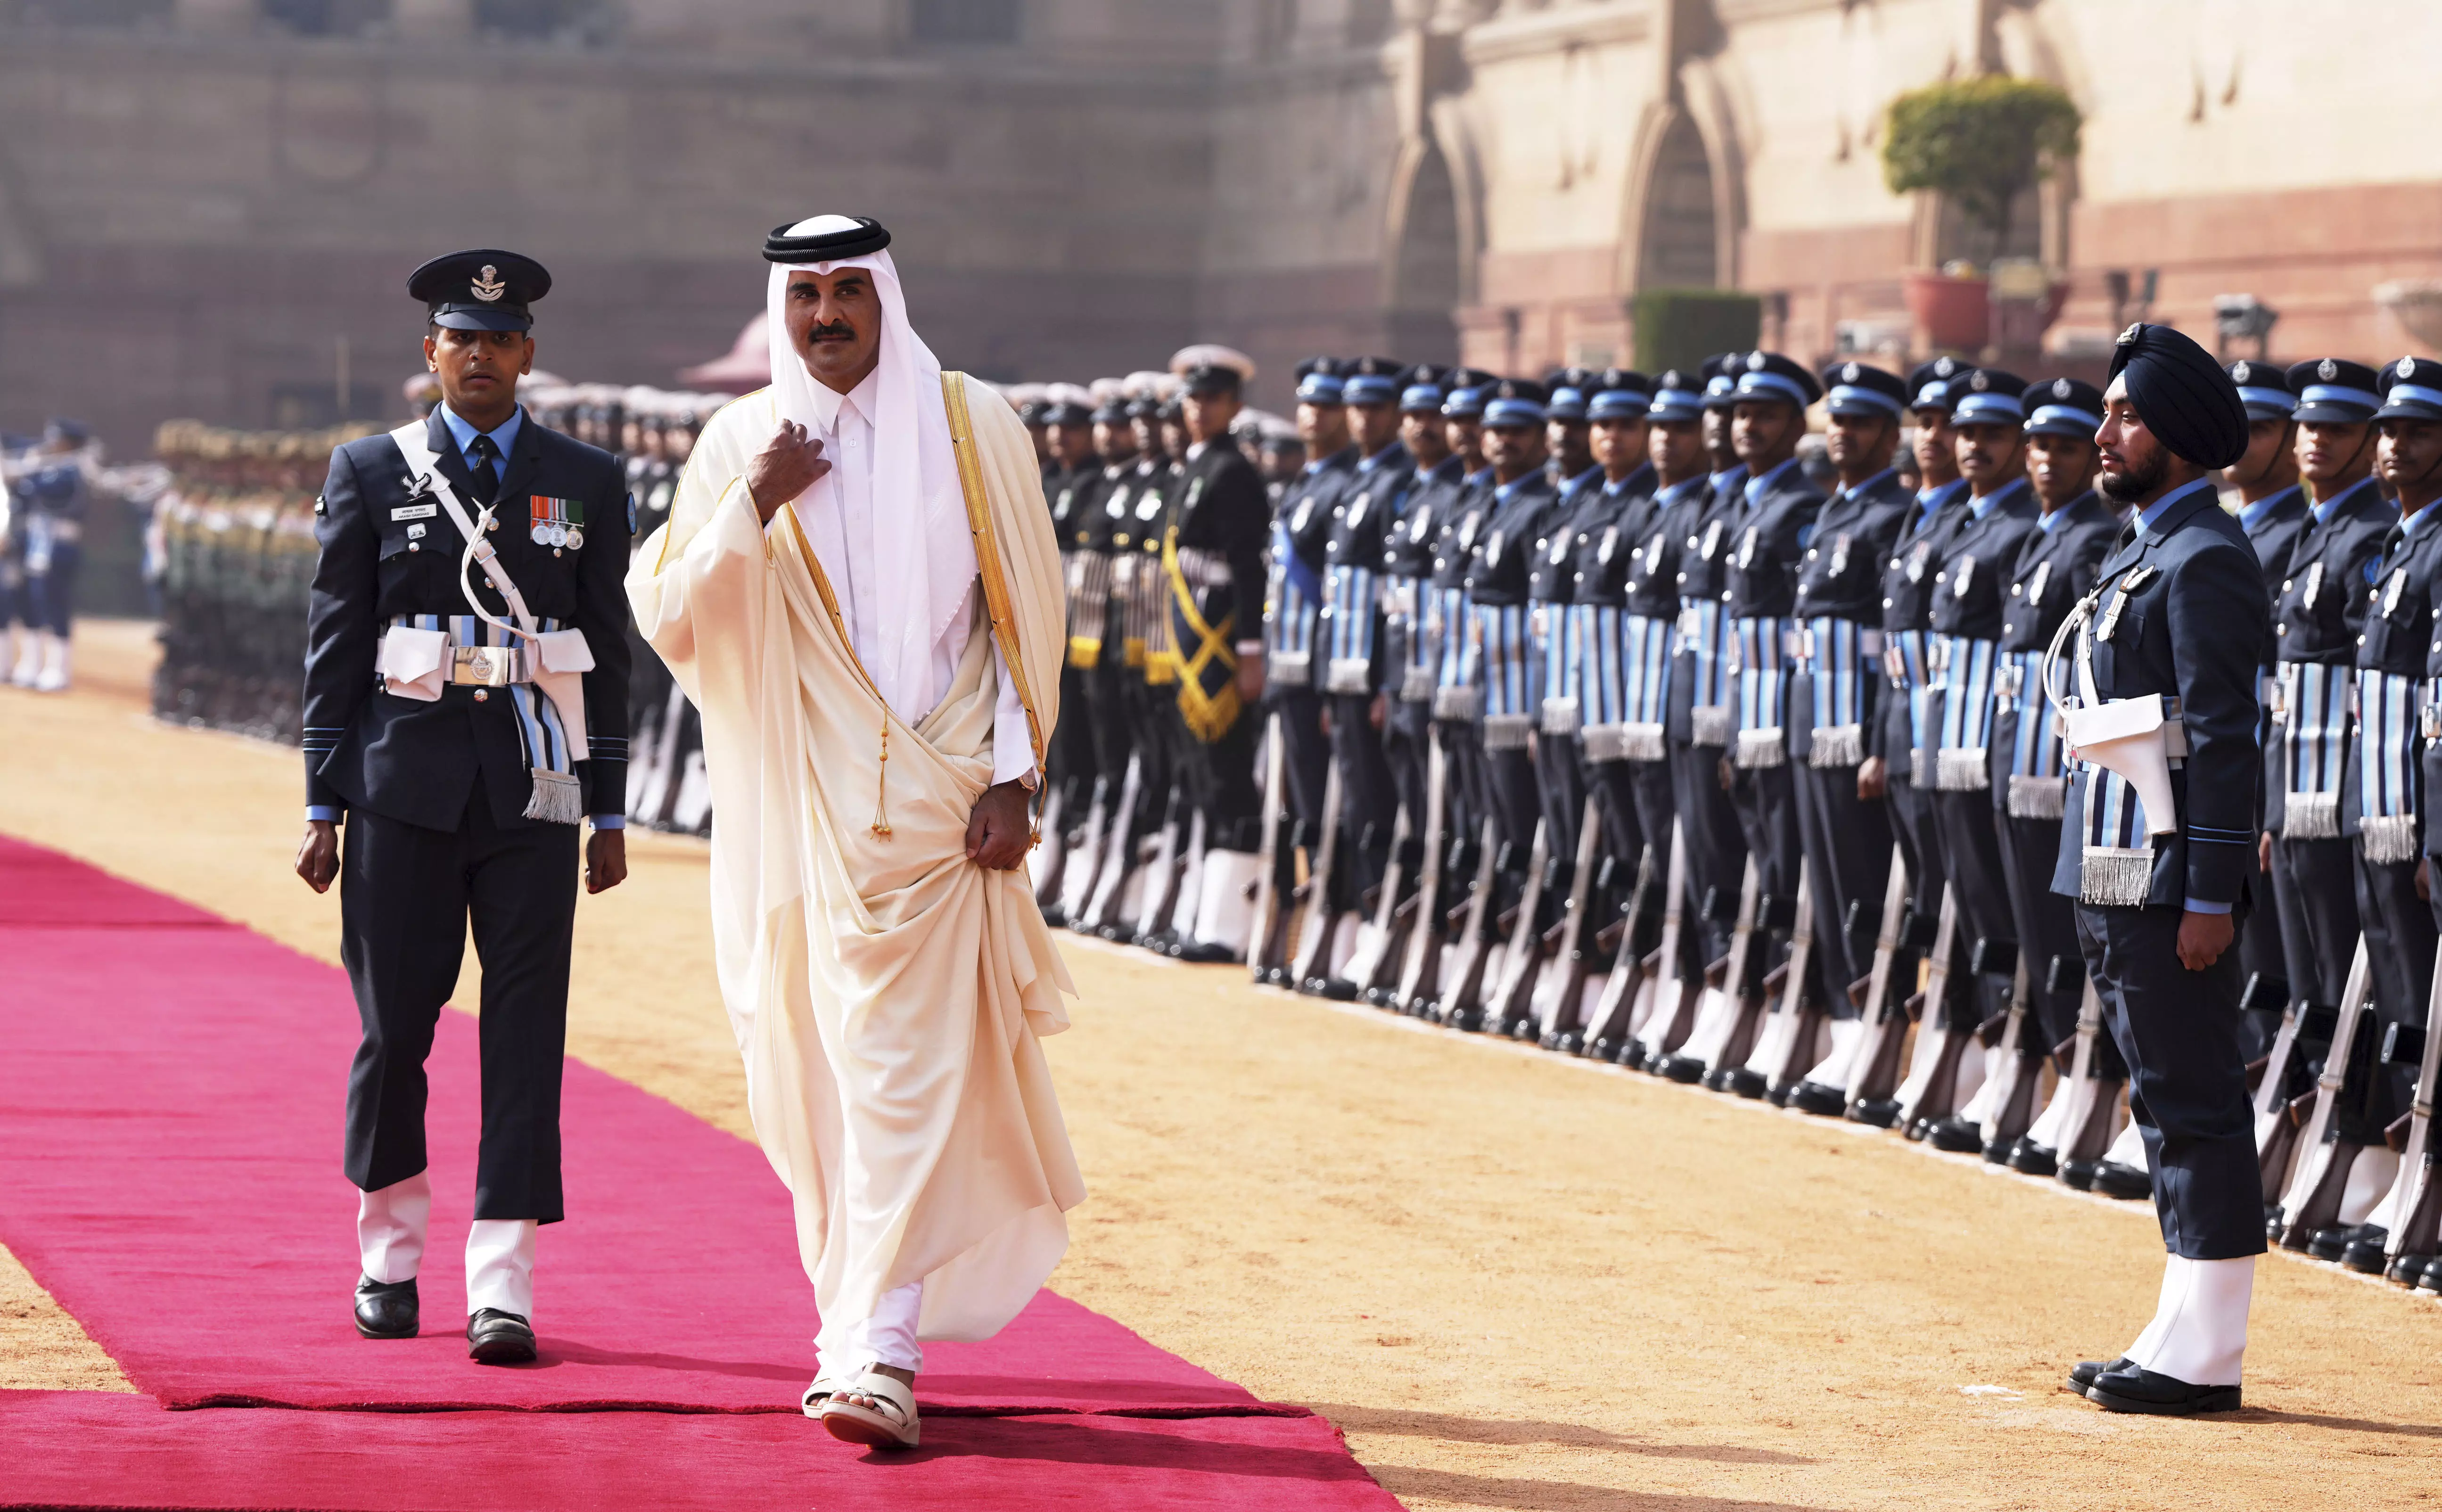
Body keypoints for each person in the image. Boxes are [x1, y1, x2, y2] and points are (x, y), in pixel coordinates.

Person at [627, 214, 1082, 1450]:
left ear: (886, 296)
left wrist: (1015, 775)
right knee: (826, 1073)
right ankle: (858, 1322)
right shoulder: (738, 439)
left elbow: (1022, 610)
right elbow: (665, 611)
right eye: (805, 295)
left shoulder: (973, 425)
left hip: (944, 816)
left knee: (904, 1075)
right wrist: (750, 509)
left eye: (846, 293)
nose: (825, 317)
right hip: (807, 809)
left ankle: (872, 1349)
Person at [295, 249, 633, 1365]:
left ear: (529, 353)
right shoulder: (368, 469)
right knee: (395, 1030)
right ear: (430, 352)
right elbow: (337, 643)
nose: (479, 355)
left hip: (535, 789)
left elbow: (611, 655)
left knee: (526, 1038)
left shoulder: (584, 475)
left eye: (500, 339)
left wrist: (612, 806)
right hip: (401, 785)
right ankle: (388, 1255)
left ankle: (503, 1283)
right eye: (461, 338)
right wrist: (323, 798)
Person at [2057, 321, 2264, 1415]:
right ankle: (2181, 1324)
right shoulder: (2141, 547)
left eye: (2126, 415)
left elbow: (2225, 736)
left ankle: (2210, 1346)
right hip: (2112, 861)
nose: (2105, 431)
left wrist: (2207, 890)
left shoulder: (2206, 559)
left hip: (2165, 873)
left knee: (2195, 1098)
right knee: (2164, 1098)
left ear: (2177, 436)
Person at [1782, 361, 1912, 1114]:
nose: (1844, 433)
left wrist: (1874, 742)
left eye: (1860, 423)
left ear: (1890, 435)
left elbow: (1886, 644)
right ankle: (1843, 1026)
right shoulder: (1832, 510)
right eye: (1838, 420)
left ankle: (1875, 1030)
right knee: (1827, 888)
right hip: (1811, 723)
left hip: (1853, 731)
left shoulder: (1889, 516)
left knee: (1863, 891)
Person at [2225, 360, 2309, 1054]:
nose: (2237, 442)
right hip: (2221, 770)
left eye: (2258, 429)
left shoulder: (2295, 539)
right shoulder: (2230, 531)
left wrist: (2270, 805)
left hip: (2263, 778)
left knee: (2273, 961)